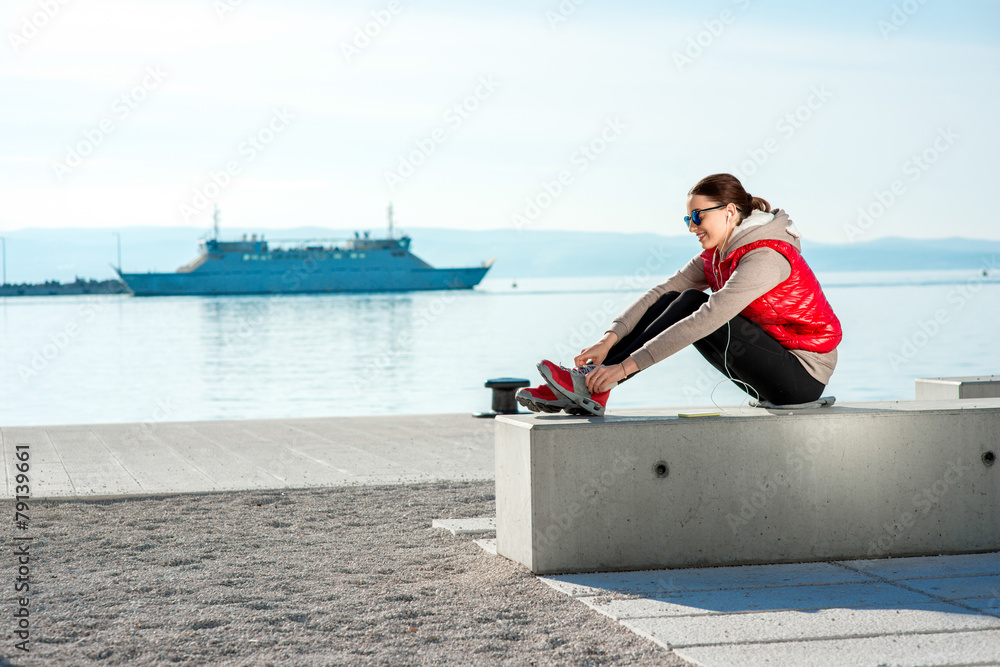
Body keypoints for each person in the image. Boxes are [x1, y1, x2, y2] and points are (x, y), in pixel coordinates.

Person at [517, 173, 842, 416]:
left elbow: (709, 318)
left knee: (696, 307)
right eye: (688, 218)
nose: (691, 226)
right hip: (770, 369)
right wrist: (609, 339)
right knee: (678, 297)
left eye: (698, 217)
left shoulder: (766, 258)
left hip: (800, 378)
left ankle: (596, 385)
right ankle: (590, 387)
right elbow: (662, 293)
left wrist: (624, 368)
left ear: (729, 212)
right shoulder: (718, 255)